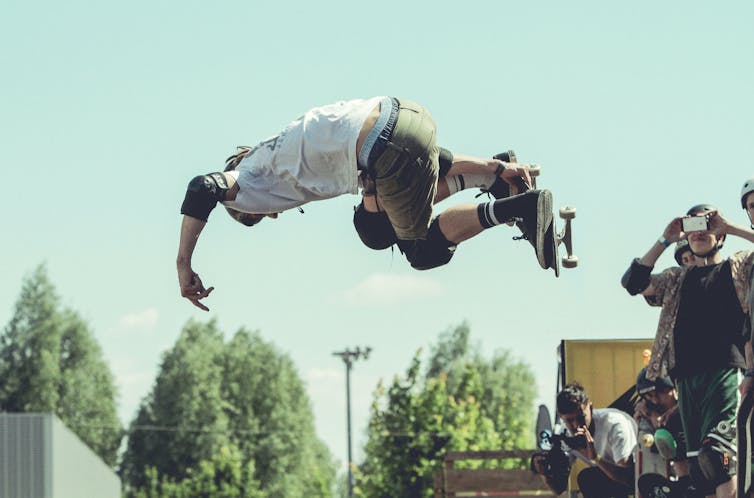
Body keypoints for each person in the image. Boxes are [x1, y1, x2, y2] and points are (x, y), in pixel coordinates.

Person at [177, 97, 553, 310]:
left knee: (408, 246)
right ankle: (493, 184)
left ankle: (519, 208)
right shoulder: (290, 143)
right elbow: (429, 160)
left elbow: (201, 188)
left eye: (257, 216)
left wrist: (184, 265)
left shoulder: (249, 178)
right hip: (408, 116)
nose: (272, 214)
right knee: (383, 212)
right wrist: (499, 166)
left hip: (384, 151)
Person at [621, 204, 754, 498]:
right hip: (686, 378)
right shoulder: (677, 279)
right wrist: (665, 239)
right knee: (700, 468)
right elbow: (632, 282)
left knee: (718, 457)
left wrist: (729, 226)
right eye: (694, 226)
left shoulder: (738, 266)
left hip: (725, 371)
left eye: (707, 224)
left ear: (719, 236)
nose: (700, 232)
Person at [532, 383, 637, 497]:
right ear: (561, 417)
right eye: (569, 420)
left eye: (581, 417)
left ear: (590, 408)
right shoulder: (565, 434)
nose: (577, 425)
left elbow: (628, 477)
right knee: (588, 479)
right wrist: (546, 473)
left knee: (588, 478)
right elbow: (559, 489)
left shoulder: (615, 425)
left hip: (639, 473)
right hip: (613, 478)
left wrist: (596, 458)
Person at [634, 366, 692, 497]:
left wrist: (652, 416)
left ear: (675, 389)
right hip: (680, 483)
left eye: (659, 393)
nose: (655, 401)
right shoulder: (652, 414)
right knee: (646, 484)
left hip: (699, 483)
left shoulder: (688, 410)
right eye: (649, 396)